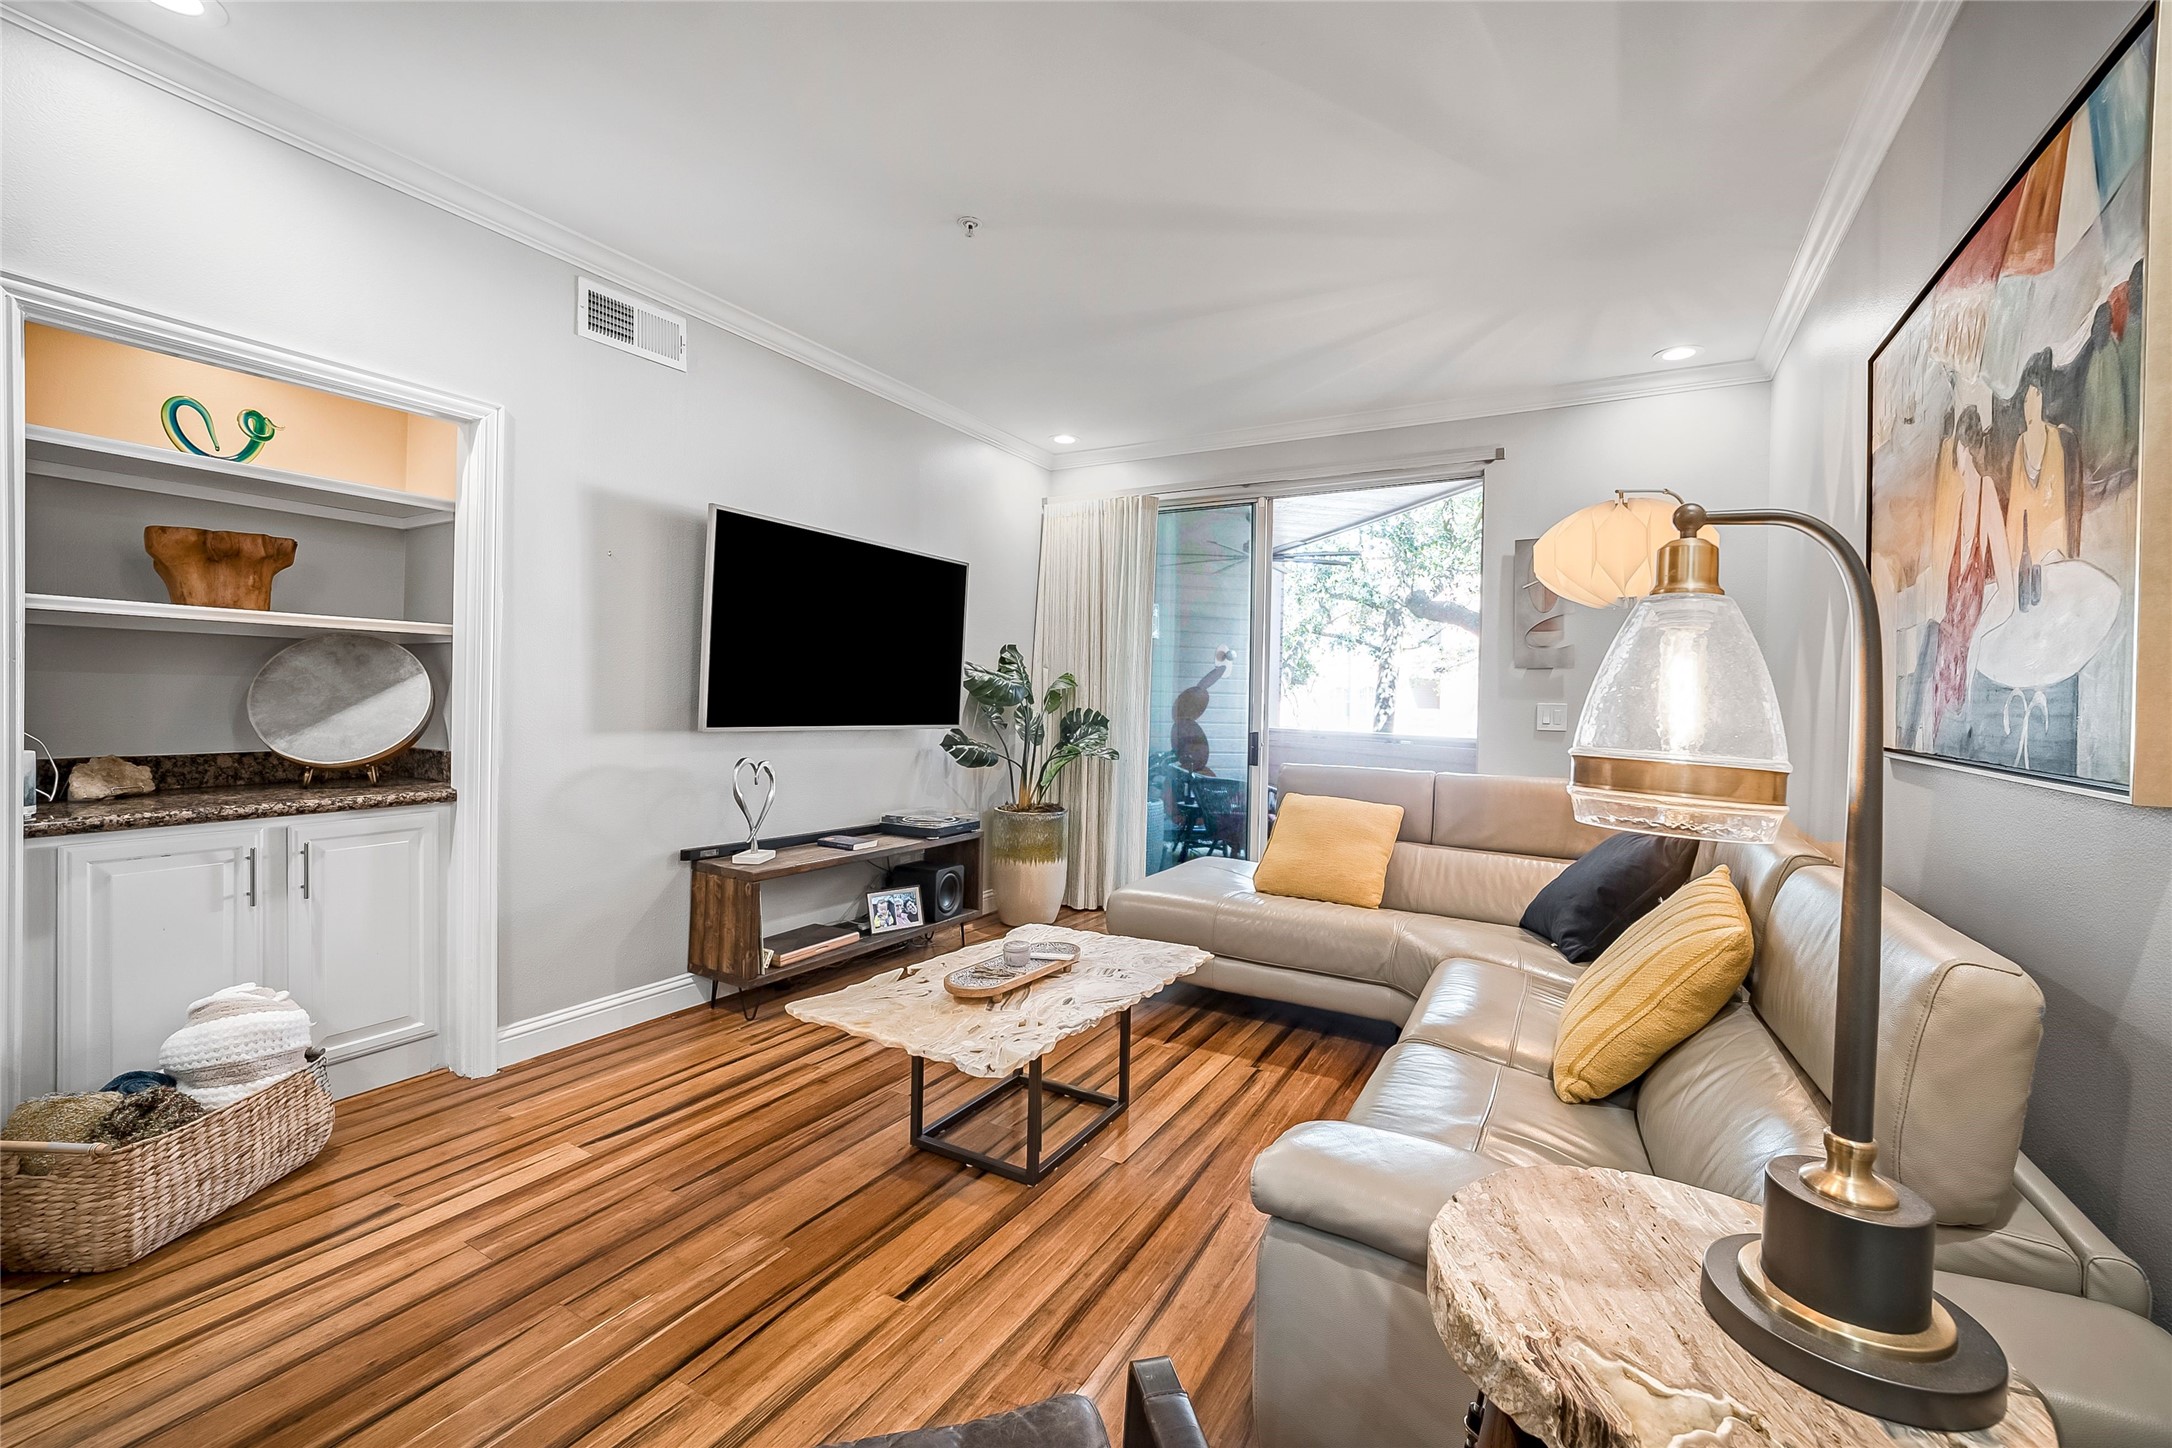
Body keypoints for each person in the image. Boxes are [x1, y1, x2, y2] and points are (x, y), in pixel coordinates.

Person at [1927, 407, 2017, 749]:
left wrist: (1978, 639)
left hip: (1971, 649)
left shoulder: (1986, 492)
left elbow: (2006, 588)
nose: (1955, 456)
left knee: (1958, 738)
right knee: (1938, 740)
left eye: (1955, 448)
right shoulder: (1964, 499)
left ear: (1962, 449)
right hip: (1949, 646)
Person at [2007, 350, 2070, 573]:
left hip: (2051, 554)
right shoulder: (2020, 445)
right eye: (2026, 399)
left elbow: (2059, 506)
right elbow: (2014, 509)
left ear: (2043, 398)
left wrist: (2058, 555)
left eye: (2035, 396)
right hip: (2025, 556)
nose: (2029, 405)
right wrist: (2012, 561)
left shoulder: (2056, 440)